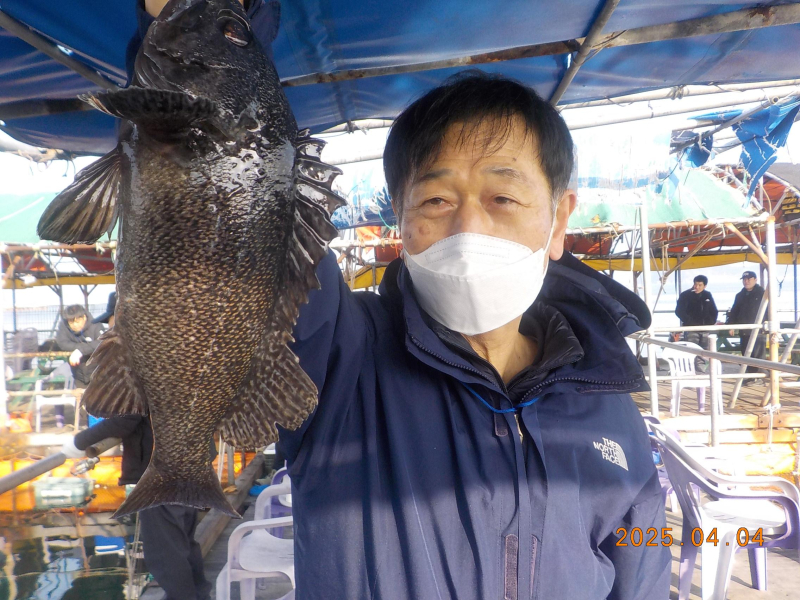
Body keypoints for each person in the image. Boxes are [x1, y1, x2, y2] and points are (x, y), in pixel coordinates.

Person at [134, 7, 669, 599]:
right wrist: (213, 27)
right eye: (436, 200)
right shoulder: (340, 356)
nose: (469, 227)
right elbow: (229, 200)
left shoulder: (608, 401)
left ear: (559, 218)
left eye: (502, 197)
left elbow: (642, 565)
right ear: (400, 216)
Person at [54, 305, 103, 427]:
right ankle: (83, 428)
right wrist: (84, 348)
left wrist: (80, 351)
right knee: (81, 401)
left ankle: (101, 429)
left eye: (78, 320)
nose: (75, 324)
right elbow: (62, 343)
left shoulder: (96, 325)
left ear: (84, 317)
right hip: (79, 373)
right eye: (71, 321)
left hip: (98, 371)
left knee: (100, 401)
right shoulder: (64, 327)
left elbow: (101, 342)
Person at [727, 270, 766, 382]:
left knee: (758, 355)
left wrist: (767, 324)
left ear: (755, 280)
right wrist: (731, 325)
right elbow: (734, 311)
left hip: (759, 330)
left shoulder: (762, 293)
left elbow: (769, 310)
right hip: (744, 330)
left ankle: (758, 377)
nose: (746, 281)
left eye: (749, 279)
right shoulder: (740, 295)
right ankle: (750, 376)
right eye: (744, 279)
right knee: (746, 353)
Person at [675, 274, 718, 349]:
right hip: (691, 329)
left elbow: (714, 310)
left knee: (706, 352)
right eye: (695, 284)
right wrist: (689, 321)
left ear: (705, 286)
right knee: (692, 350)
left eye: (700, 285)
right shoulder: (685, 295)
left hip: (705, 329)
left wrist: (711, 322)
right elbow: (679, 311)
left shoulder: (707, 295)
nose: (697, 287)